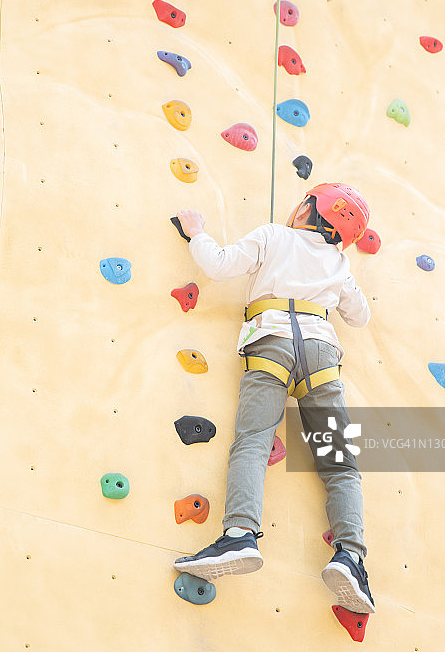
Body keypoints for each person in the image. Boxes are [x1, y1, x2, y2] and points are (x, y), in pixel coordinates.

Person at [173, 183, 375, 614]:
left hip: (271, 342)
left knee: (253, 441)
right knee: (339, 462)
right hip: (320, 353)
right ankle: (351, 558)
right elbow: (360, 317)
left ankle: (239, 535)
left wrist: (196, 231)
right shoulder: (339, 263)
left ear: (306, 209)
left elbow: (219, 265)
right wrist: (341, 274)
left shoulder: (273, 236)